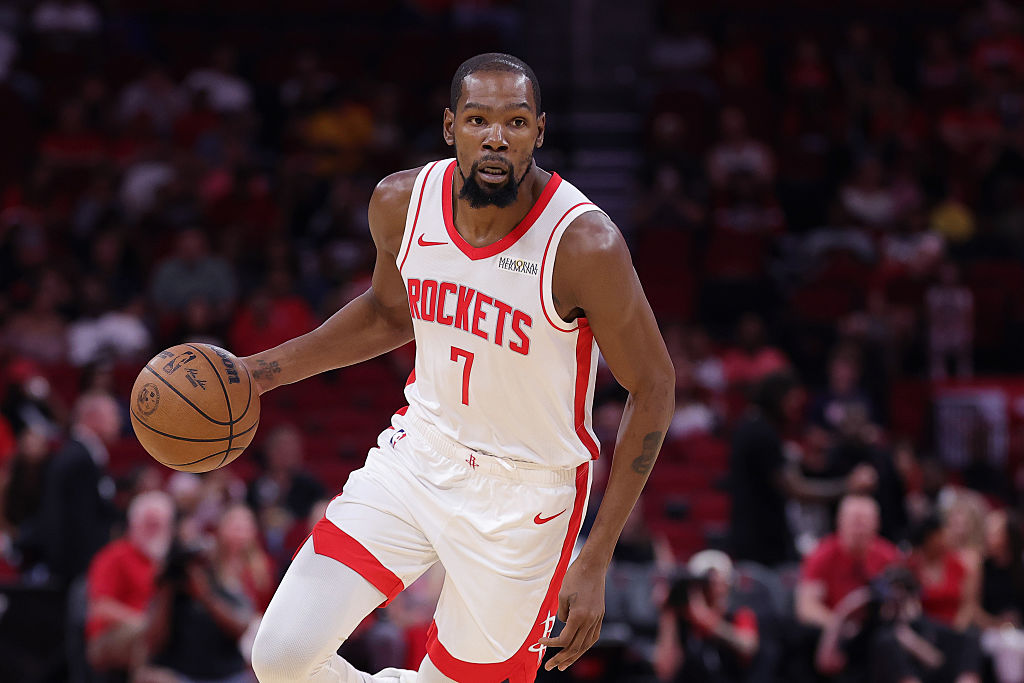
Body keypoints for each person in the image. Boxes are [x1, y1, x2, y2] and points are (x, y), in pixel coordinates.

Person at [245, 53, 675, 683]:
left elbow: (655, 385)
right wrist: (257, 373)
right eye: (478, 120)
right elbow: (387, 315)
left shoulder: (584, 245)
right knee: (281, 657)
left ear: (539, 131)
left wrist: (596, 557)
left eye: (516, 122)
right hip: (419, 456)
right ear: (450, 127)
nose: (496, 137)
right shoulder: (401, 203)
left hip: (527, 496)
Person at [85, 490, 175, 675]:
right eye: (150, 524)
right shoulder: (114, 556)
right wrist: (145, 622)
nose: (155, 530)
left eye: (160, 525)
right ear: (133, 523)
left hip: (156, 634)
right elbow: (100, 607)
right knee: (146, 633)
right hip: (108, 637)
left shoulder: (168, 562)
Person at [652, 550, 758, 683]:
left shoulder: (739, 611)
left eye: (716, 582)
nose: (711, 588)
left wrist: (706, 619)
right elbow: (665, 672)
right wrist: (668, 614)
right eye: (704, 583)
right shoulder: (683, 616)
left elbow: (748, 646)